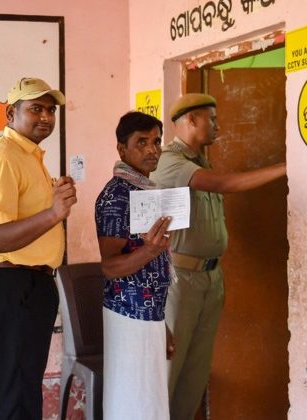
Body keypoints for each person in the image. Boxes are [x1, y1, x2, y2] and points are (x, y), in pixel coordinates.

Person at [150, 94, 287, 420]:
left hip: (210, 278)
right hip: (180, 279)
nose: (217, 126)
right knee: (168, 373)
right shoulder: (169, 161)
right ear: (191, 120)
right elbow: (224, 185)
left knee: (194, 376)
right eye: (211, 119)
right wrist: (287, 166)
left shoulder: (199, 161)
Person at [0, 77, 77, 419]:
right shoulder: (3, 157)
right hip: (16, 284)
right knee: (16, 394)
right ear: (9, 113)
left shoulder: (29, 156)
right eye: (35, 108)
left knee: (22, 389)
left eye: (50, 109)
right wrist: (54, 213)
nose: (45, 116)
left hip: (33, 285)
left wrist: (54, 200)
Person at [95, 111, 175, 419]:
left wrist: (162, 324)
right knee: (132, 402)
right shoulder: (116, 195)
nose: (152, 150)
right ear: (121, 149)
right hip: (128, 314)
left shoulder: (144, 190)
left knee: (149, 401)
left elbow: (152, 267)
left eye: (156, 142)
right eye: (142, 142)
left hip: (149, 314)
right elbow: (110, 267)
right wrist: (150, 250)